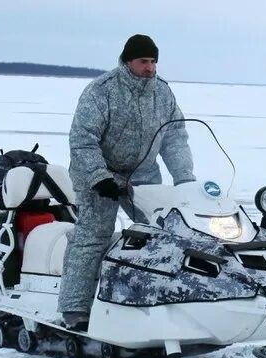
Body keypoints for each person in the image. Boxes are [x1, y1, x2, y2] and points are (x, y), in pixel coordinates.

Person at [58, 34, 195, 331]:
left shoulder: (163, 93)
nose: (150, 67)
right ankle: (75, 308)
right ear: (128, 61)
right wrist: (99, 177)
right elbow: (83, 140)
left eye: (153, 61)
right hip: (99, 174)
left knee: (163, 232)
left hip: (143, 174)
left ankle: (154, 300)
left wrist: (185, 179)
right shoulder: (101, 91)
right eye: (143, 61)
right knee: (93, 235)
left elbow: (175, 138)